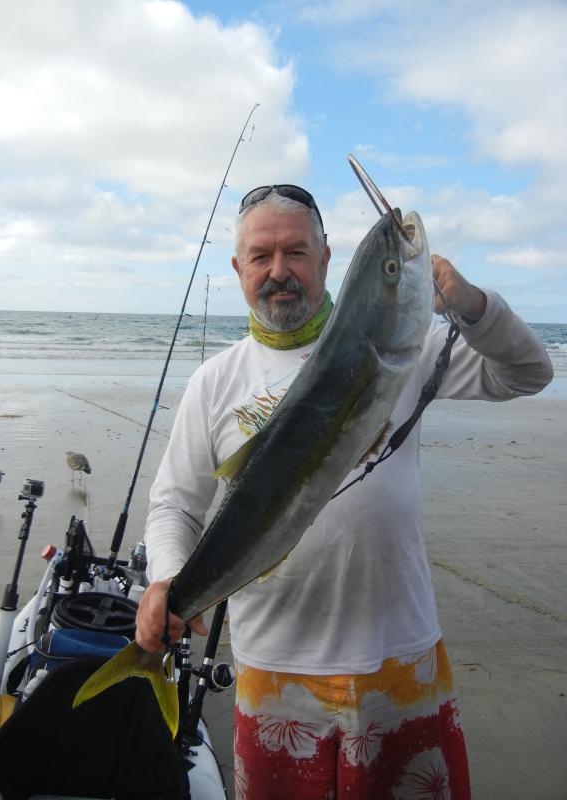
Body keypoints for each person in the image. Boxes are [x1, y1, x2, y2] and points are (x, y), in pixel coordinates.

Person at [136, 185, 553, 799]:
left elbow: (528, 372)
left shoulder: (408, 347)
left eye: (296, 252)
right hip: (275, 669)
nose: (280, 272)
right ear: (238, 269)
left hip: (398, 655)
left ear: (328, 259)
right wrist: (169, 579)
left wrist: (467, 303)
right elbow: (175, 503)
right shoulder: (214, 383)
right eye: (261, 256)